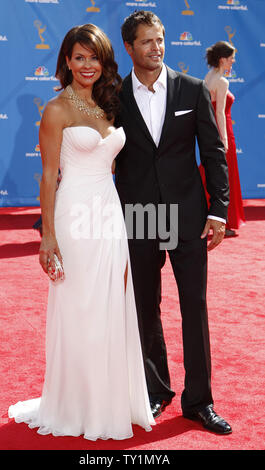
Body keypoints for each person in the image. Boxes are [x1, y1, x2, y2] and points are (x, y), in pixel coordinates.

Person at [8, 24, 154, 440]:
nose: (86, 65)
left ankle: (111, 399)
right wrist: (47, 236)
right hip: (74, 216)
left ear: (105, 61)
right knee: (82, 308)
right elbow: (49, 176)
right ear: (66, 61)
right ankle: (78, 403)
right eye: (78, 57)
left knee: (112, 304)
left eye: (94, 57)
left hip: (109, 213)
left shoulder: (111, 104)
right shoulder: (57, 110)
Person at [114, 10, 232, 434]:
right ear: (129, 47)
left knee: (194, 308)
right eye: (147, 41)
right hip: (141, 215)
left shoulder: (192, 89)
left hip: (188, 215)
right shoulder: (115, 96)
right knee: (145, 308)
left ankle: (199, 401)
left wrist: (218, 209)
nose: (156, 48)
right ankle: (156, 389)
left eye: (160, 40)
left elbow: (214, 154)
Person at [201, 41, 245, 237]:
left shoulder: (209, 76)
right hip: (223, 129)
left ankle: (207, 215)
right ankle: (224, 221)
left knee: (211, 174)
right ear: (222, 59)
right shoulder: (222, 81)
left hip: (213, 131)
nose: (233, 62)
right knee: (225, 178)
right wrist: (224, 140)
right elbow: (219, 112)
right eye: (231, 58)